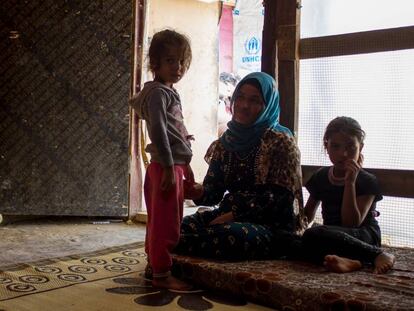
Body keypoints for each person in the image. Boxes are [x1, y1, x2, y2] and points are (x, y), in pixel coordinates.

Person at [175, 72, 306, 260]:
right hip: (227, 215)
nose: (244, 106)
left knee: (231, 236)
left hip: (271, 225)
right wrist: (197, 192)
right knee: (175, 227)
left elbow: (280, 200)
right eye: (240, 98)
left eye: (254, 100)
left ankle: (183, 244)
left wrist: (234, 215)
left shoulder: (280, 142)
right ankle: (185, 241)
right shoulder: (226, 142)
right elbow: (214, 192)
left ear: (267, 105)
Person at [129, 29, 196, 290]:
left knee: (163, 220)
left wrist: (184, 165)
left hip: (173, 167)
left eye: (181, 61)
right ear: (155, 63)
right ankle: (162, 275)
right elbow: (157, 130)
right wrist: (169, 167)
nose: (177, 67)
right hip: (164, 168)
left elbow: (172, 130)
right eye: (170, 61)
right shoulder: (158, 93)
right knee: (166, 225)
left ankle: (153, 266)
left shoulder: (167, 91)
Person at [302, 116, 395, 274]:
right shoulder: (321, 176)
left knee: (315, 233)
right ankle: (354, 262)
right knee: (295, 241)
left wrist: (350, 182)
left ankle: (377, 254)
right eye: (335, 146)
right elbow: (307, 216)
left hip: (362, 237)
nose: (343, 154)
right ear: (327, 146)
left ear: (361, 147)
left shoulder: (367, 180)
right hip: (333, 236)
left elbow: (351, 223)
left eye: (351, 147)